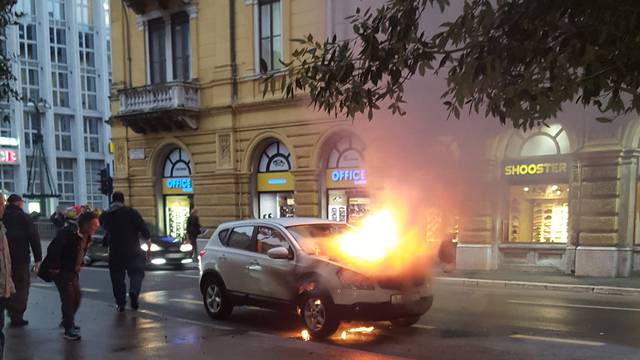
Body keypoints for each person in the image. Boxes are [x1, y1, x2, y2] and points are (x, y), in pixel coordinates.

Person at [47, 210, 99, 341]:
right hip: (62, 270)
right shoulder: (67, 233)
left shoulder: (87, 236)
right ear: (86, 224)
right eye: (94, 225)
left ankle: (67, 322)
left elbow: (81, 250)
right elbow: (53, 248)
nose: (96, 228)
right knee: (69, 297)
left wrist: (79, 263)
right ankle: (68, 328)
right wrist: (55, 267)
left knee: (77, 296)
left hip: (72, 271)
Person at [100, 192, 151, 312]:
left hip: (115, 251)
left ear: (112, 200)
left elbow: (102, 227)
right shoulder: (131, 213)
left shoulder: (106, 214)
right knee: (137, 273)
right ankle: (134, 291)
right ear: (123, 200)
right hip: (132, 249)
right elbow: (143, 229)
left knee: (117, 277)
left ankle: (120, 303)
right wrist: (147, 240)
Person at [2, 194, 41, 327]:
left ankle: (6, 309)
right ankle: (16, 316)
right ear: (19, 203)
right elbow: (34, 238)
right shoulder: (25, 217)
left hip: (4, 258)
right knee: (21, 286)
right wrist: (38, 259)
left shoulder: (3, 216)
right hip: (21, 258)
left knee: (5, 283)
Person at [0, 193, 16, 358]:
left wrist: (8, 286)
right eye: (1, 205)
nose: (3, 208)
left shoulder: (2, 229)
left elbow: (6, 262)